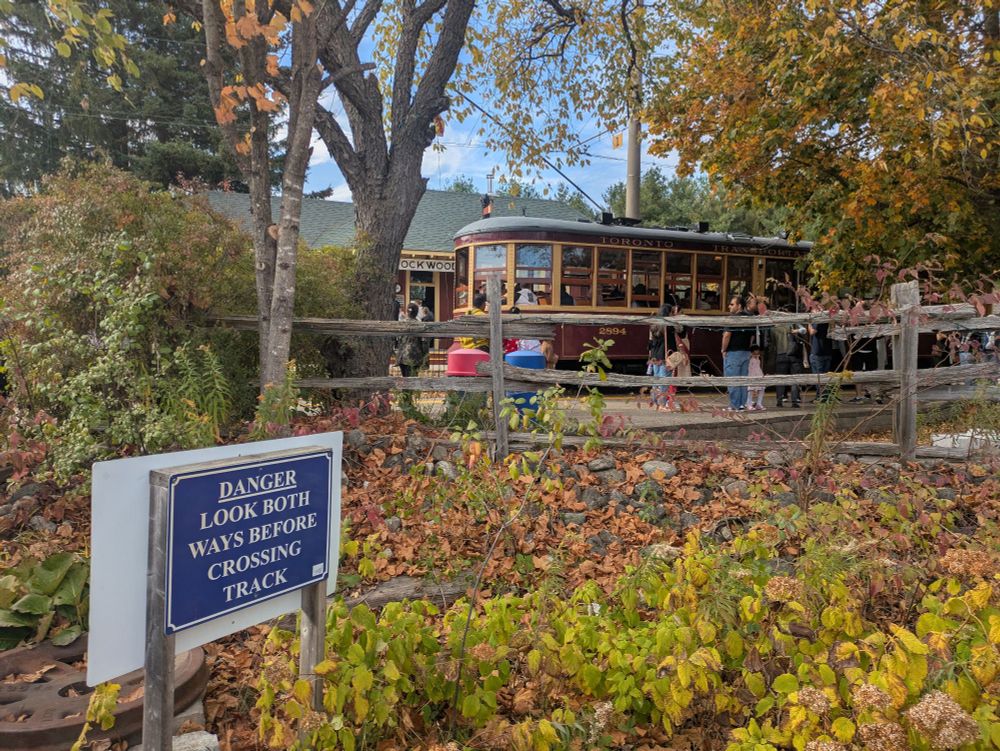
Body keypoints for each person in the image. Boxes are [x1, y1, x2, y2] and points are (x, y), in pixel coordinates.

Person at [721, 296, 754, 411]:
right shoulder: (750, 318)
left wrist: (723, 349)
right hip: (745, 352)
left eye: (732, 304)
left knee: (733, 379)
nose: (729, 306)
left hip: (733, 352)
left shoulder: (732, 318)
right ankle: (741, 404)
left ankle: (734, 404)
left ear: (739, 306)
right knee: (743, 379)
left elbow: (727, 335)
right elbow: (752, 337)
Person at [772, 317, 805, 408]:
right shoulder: (793, 324)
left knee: (780, 378)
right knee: (794, 378)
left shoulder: (774, 328)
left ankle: (779, 400)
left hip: (780, 354)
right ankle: (794, 400)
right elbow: (804, 330)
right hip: (794, 354)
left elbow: (772, 343)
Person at [395, 303, 427, 377]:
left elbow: (397, 339)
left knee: (405, 377)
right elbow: (424, 342)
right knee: (413, 378)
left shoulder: (401, 324)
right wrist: (425, 359)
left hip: (402, 356)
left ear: (407, 311)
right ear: (416, 312)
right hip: (415, 356)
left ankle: (405, 388)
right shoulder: (420, 325)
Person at [808, 321, 834, 402]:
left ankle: (821, 396)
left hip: (817, 351)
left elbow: (812, 332)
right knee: (826, 375)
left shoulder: (817, 321)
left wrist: (809, 324)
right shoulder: (829, 321)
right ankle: (825, 396)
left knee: (818, 377)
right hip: (828, 351)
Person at [647, 325, 668, 409]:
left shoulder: (653, 335)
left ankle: (655, 400)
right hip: (662, 359)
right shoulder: (664, 334)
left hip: (654, 358)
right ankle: (662, 403)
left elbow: (649, 347)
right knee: (663, 381)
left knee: (656, 380)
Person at [747, 345, 765, 411]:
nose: (757, 351)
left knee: (762, 388)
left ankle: (759, 404)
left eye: (758, 350)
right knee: (750, 390)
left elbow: (759, 366)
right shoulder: (749, 357)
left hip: (759, 374)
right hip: (751, 375)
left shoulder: (758, 358)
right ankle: (749, 404)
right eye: (756, 350)